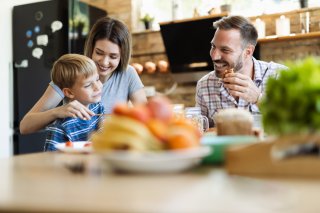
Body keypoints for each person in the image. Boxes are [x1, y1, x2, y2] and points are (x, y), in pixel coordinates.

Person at [20, 17, 147, 134]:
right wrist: (58, 112)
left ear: (122, 56)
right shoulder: (72, 74)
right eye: (99, 53)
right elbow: (25, 127)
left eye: (113, 56)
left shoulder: (128, 73)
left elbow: (148, 118)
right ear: (91, 48)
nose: (104, 62)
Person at [196, 15, 287, 127]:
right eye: (213, 46)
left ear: (248, 52)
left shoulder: (280, 76)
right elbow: (199, 132)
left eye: (225, 49)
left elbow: (299, 126)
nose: (214, 56)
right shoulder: (204, 85)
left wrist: (259, 99)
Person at [45, 54, 105, 151]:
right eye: (88, 85)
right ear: (69, 92)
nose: (98, 87)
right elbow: (51, 160)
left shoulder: (97, 107)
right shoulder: (61, 127)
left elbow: (103, 136)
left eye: (97, 79)